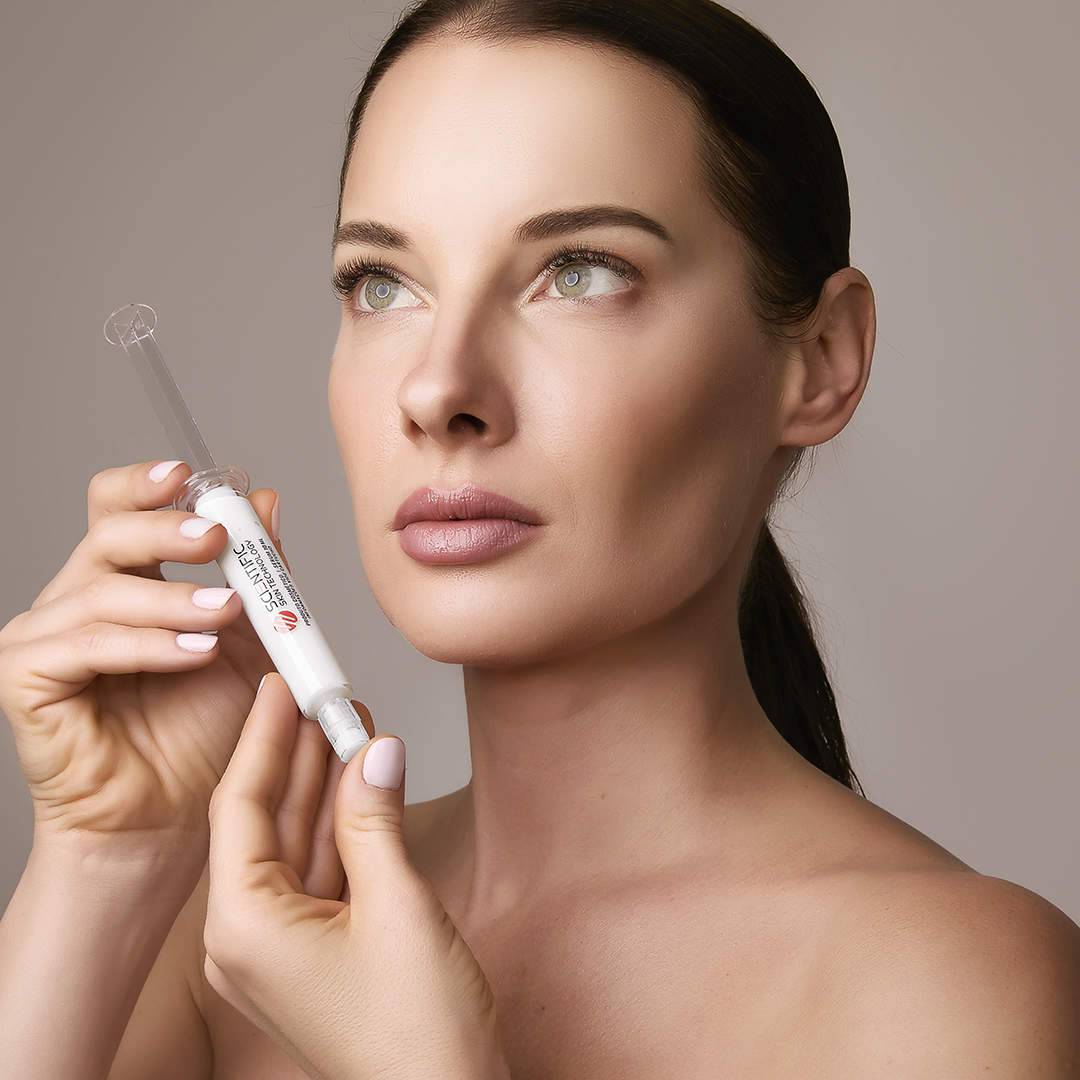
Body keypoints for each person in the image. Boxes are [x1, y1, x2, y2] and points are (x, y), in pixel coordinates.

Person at [1, 0, 1078, 1076]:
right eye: (383, 284)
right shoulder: (237, 945)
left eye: (581, 271)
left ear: (823, 359)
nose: (438, 390)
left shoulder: (956, 985)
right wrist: (103, 860)